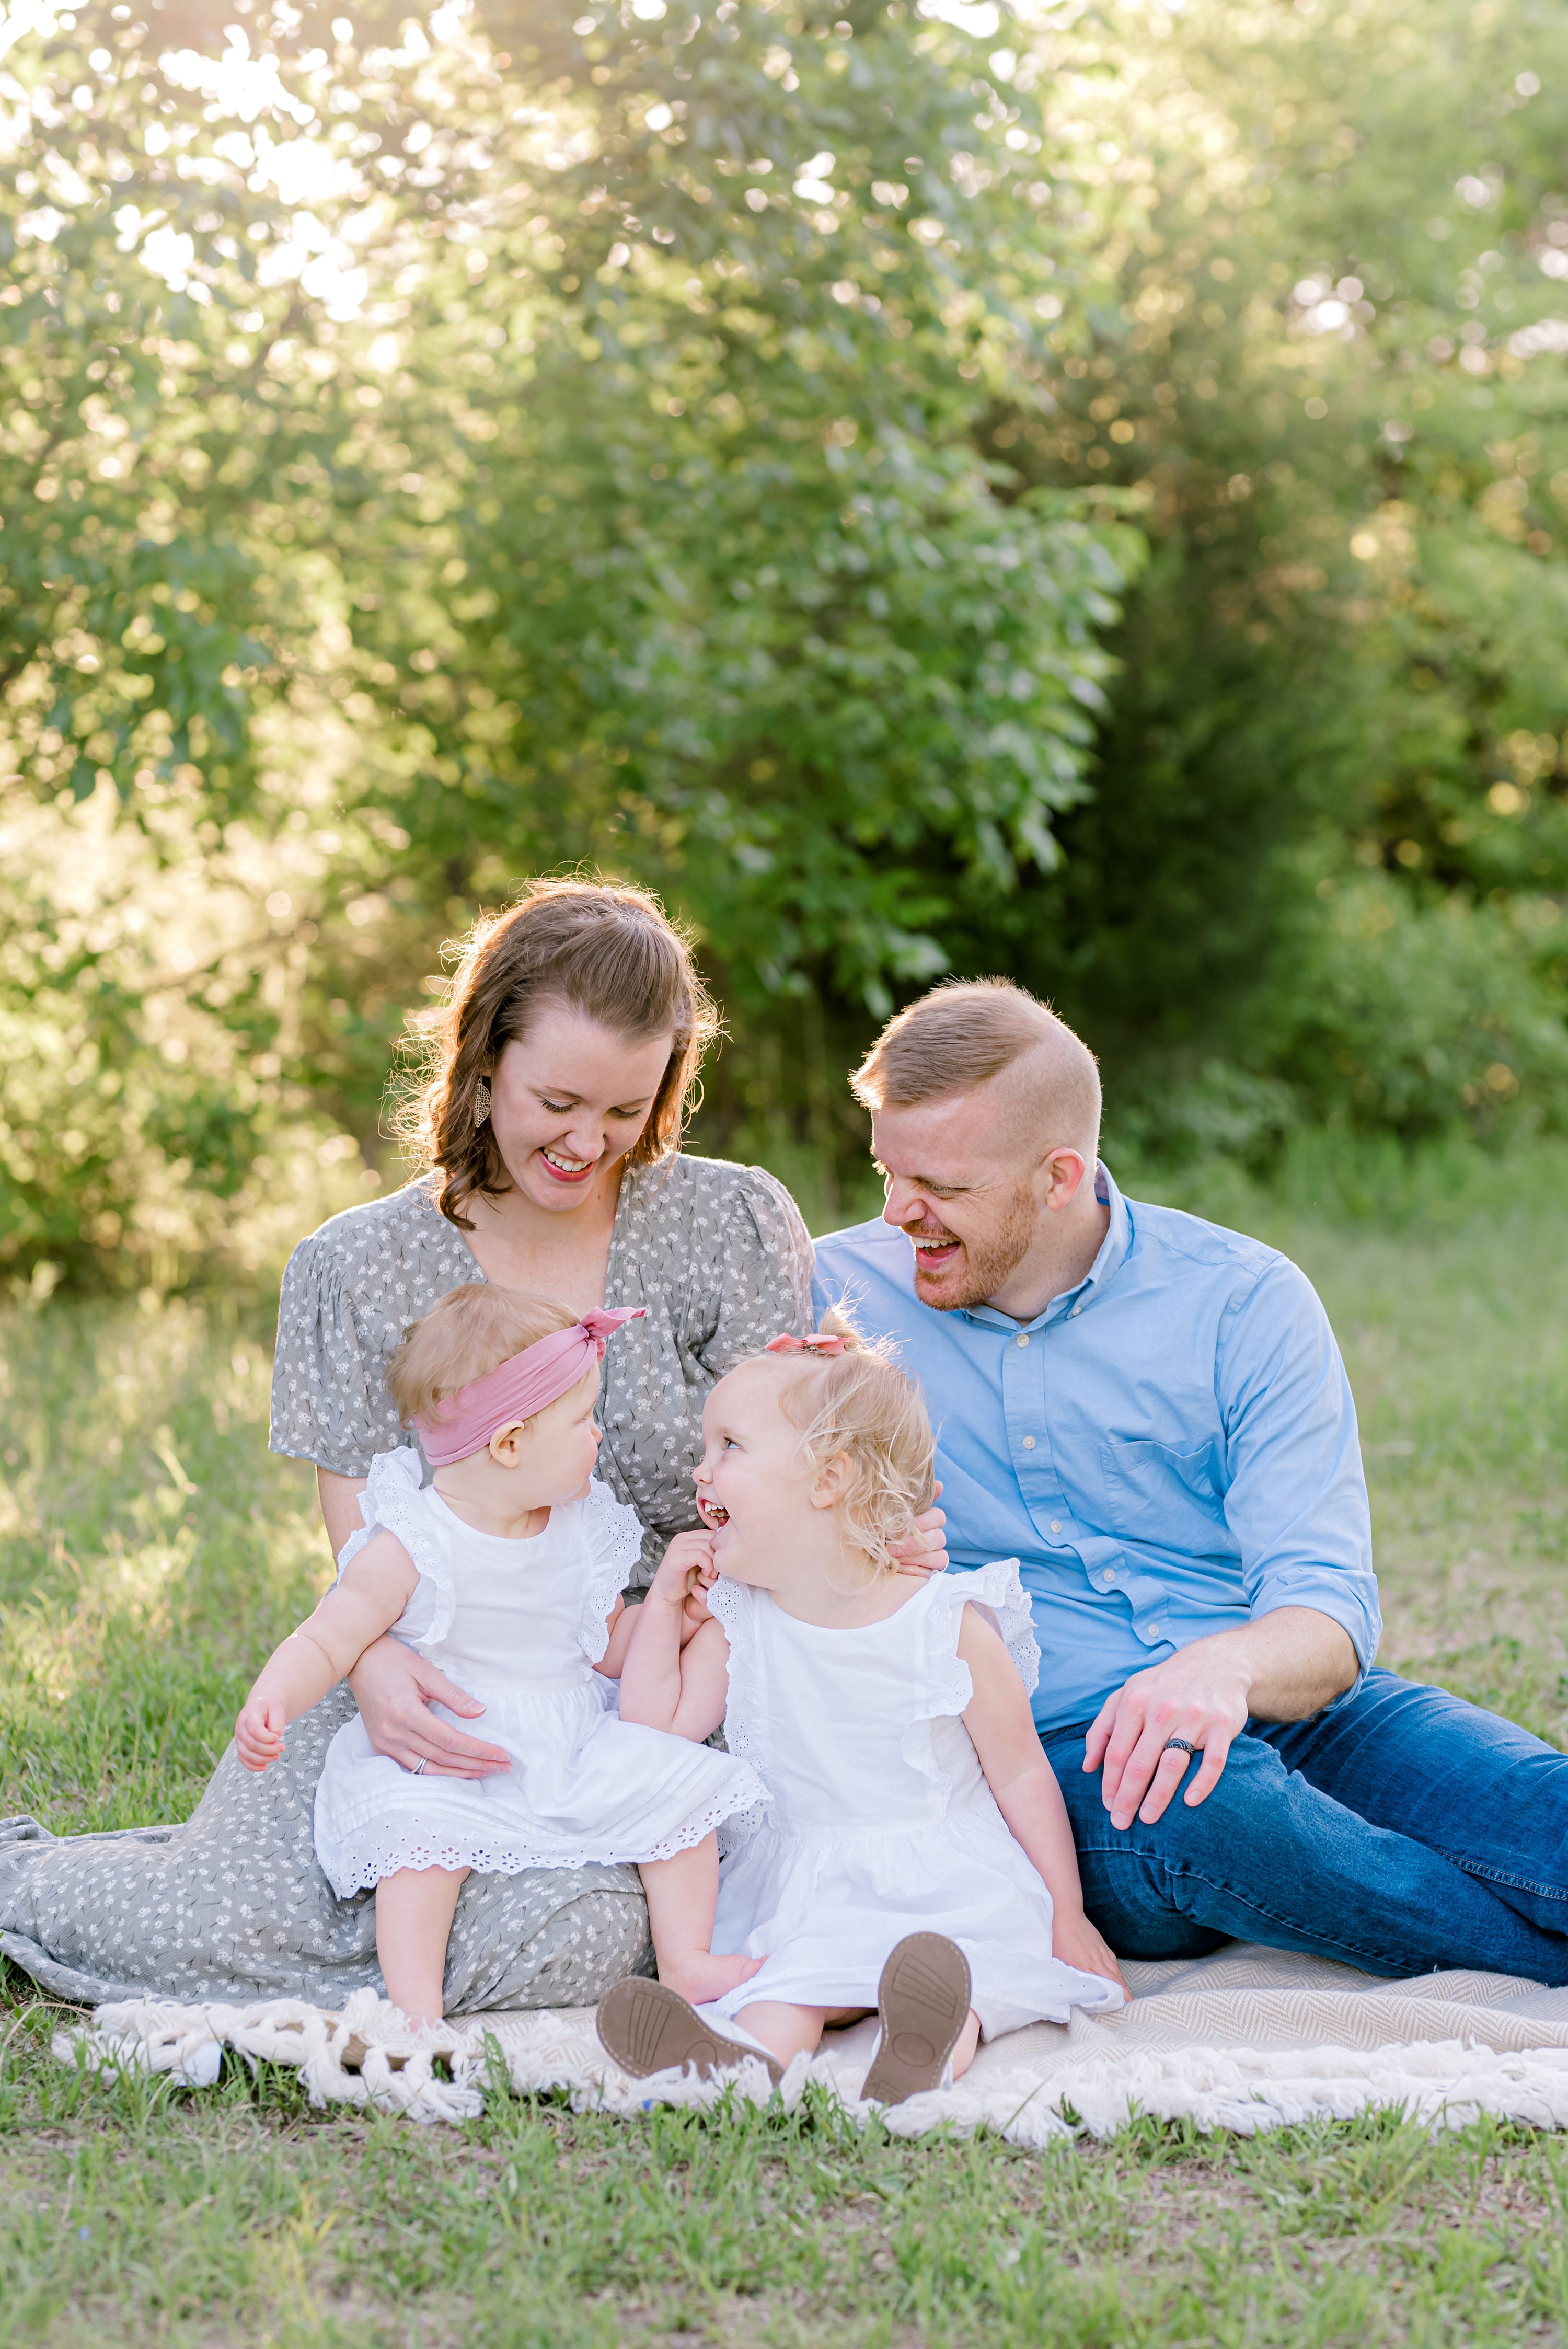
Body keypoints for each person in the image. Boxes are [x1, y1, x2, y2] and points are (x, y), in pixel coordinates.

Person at [4, 878, 942, 2014]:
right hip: (440, 1667)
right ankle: (44, 1873)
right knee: (204, 1924)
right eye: (559, 1099)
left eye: (627, 1110)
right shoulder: (357, 1267)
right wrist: (378, 1668)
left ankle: (399, 1961)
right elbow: (362, 1529)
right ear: (484, 1060)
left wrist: (864, 1512)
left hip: (660, 1682)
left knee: (578, 1946)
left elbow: (801, 1447)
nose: (590, 1143)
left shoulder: (724, 1221)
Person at [812, 978, 1568, 1985]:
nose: (899, 1213)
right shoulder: (830, 1300)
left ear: (1058, 1176)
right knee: (1209, 1807)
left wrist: (1222, 1670)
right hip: (1060, 1761)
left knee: (1536, 1811)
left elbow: (1327, 1611)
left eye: (940, 1187)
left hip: (1295, 1710)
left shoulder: (1243, 1302)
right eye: (886, 1172)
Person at [593, 1312, 1126, 2099]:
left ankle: (927, 2048)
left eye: (729, 1447)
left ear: (828, 1479)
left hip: (946, 1877)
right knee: (791, 1981)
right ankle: (737, 2062)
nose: (700, 1473)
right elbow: (654, 1734)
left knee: (960, 1977)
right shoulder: (741, 1621)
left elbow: (1020, 1774)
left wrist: (1067, 1911)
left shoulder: (948, 1622)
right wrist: (666, 1605)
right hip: (810, 1878)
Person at [236, 1284, 767, 2022]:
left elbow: (609, 1646)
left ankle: (686, 1960)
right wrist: (274, 1698)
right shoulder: (413, 1540)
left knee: (680, 1792)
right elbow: (330, 1635)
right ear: (511, 1444)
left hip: (570, 1737)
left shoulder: (579, 1528)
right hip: (456, 1750)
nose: (598, 1436)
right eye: (583, 1420)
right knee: (419, 1839)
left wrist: (672, 1611)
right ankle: (415, 2004)